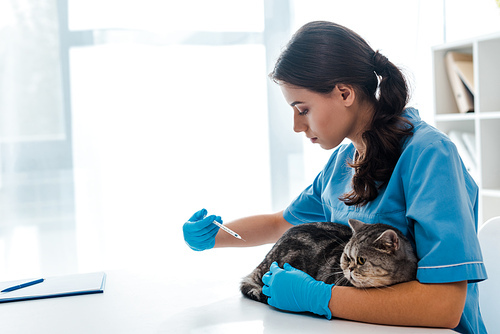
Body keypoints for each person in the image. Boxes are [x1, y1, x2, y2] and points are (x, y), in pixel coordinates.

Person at [182, 21, 487, 334]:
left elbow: (444, 307)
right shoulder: (343, 162)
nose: (297, 126)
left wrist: (321, 298)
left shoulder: (429, 154)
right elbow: (280, 223)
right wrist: (214, 236)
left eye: (303, 109)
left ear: (344, 93)